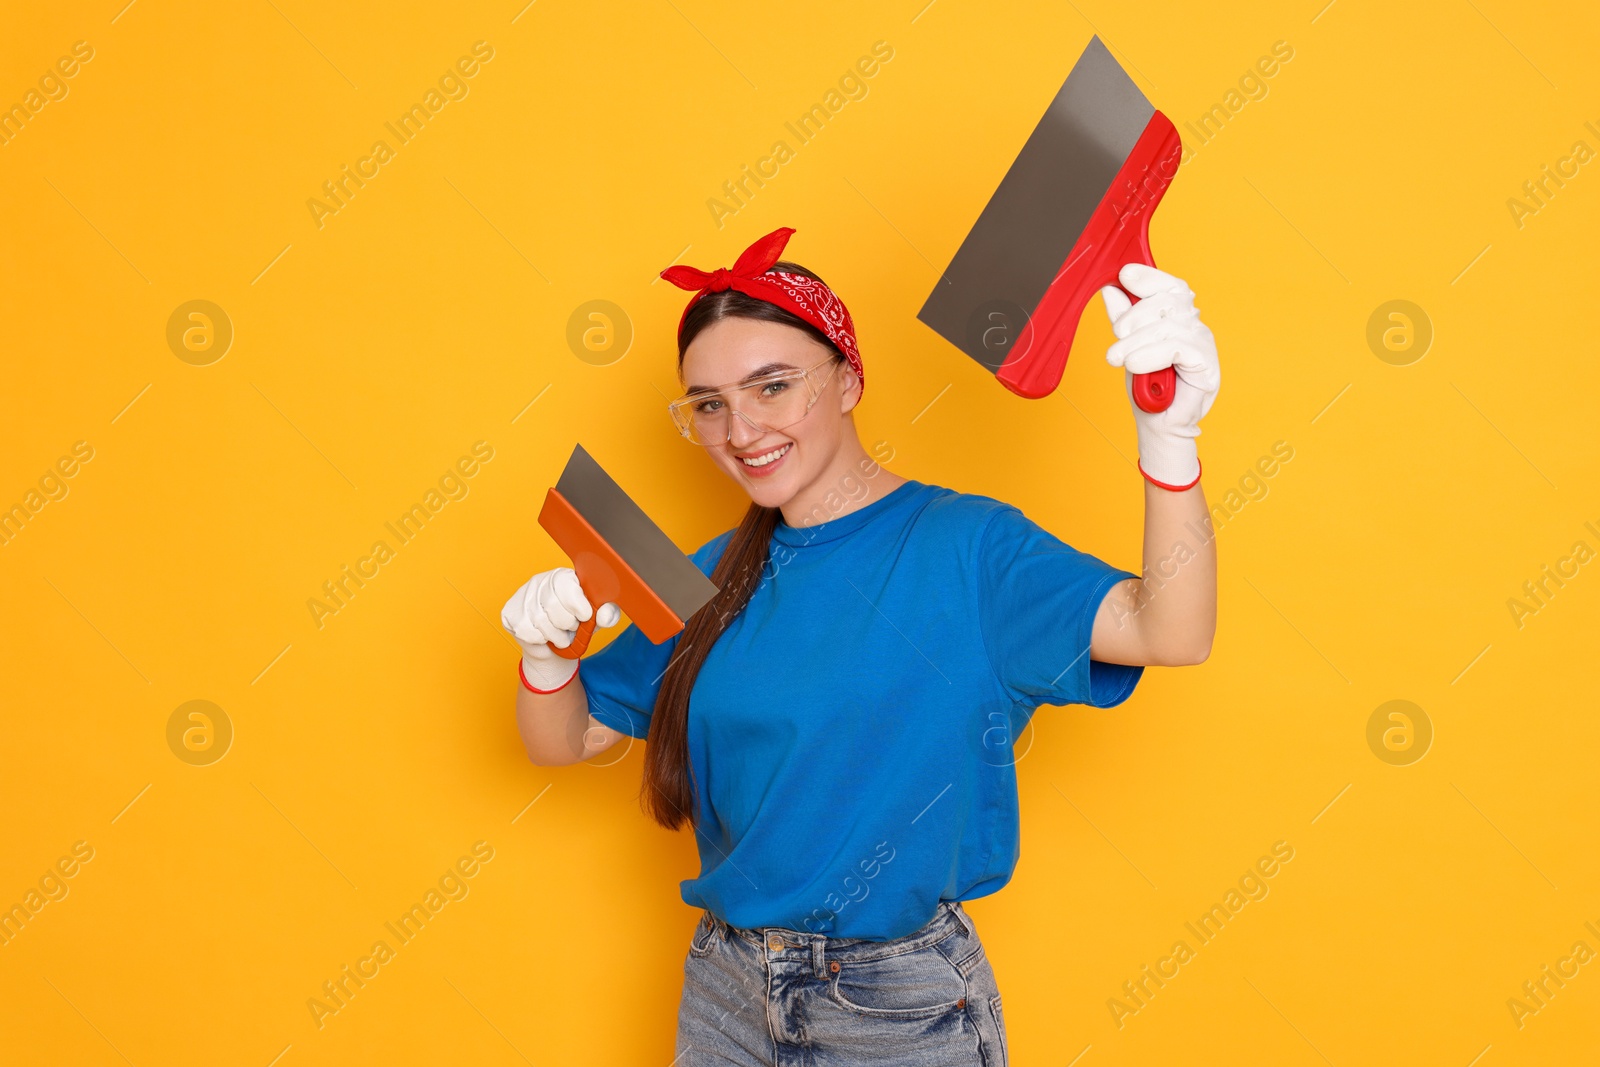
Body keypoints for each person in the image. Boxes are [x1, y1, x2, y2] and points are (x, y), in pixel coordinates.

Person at [501, 226, 1220, 1065]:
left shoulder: (967, 547)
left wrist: (1170, 444)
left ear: (848, 379)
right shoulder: (703, 578)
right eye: (709, 403)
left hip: (897, 1007)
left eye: (773, 386)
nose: (740, 429)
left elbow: (1168, 629)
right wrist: (543, 657)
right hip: (726, 990)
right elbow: (565, 739)